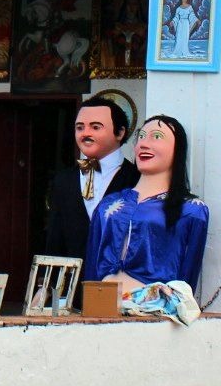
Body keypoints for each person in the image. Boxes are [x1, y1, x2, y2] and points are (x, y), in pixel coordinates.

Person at [85, 115, 209, 290]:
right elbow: (92, 261)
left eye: (156, 137)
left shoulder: (191, 209)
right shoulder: (109, 203)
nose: (144, 143)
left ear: (177, 149)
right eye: (141, 137)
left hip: (154, 308)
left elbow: (189, 272)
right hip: (103, 304)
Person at [43, 97, 140, 261]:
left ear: (120, 132)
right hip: (72, 282)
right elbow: (55, 239)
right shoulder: (64, 180)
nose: (86, 133)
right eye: (80, 127)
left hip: (121, 282)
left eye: (95, 127)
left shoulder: (137, 178)